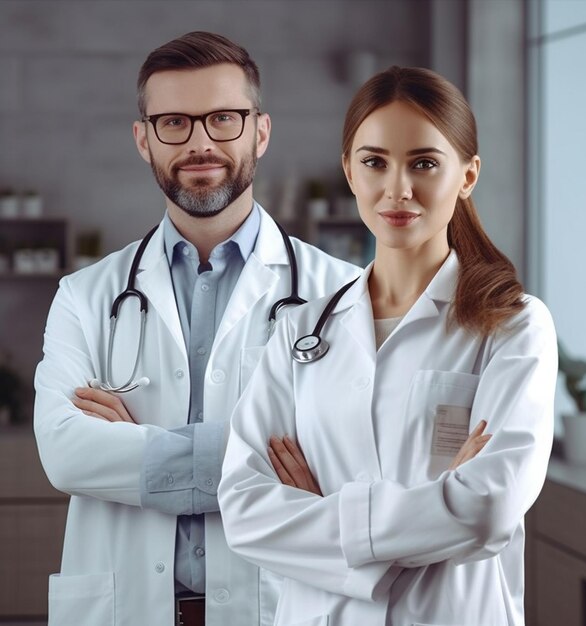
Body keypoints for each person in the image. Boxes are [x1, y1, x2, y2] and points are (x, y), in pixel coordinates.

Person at [33, 31, 359, 626]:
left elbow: (354, 456)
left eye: (224, 119)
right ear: (144, 139)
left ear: (260, 130)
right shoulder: (85, 297)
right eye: (174, 123)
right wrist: (268, 454)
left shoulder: (343, 293)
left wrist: (142, 445)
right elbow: (65, 453)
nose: (201, 142)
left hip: (280, 608)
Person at [218, 66, 558, 626]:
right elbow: (245, 511)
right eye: (375, 162)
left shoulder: (514, 327)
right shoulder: (301, 331)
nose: (397, 188)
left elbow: (489, 509)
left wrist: (322, 514)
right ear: (349, 171)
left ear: (467, 176)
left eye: (424, 163)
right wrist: (436, 507)